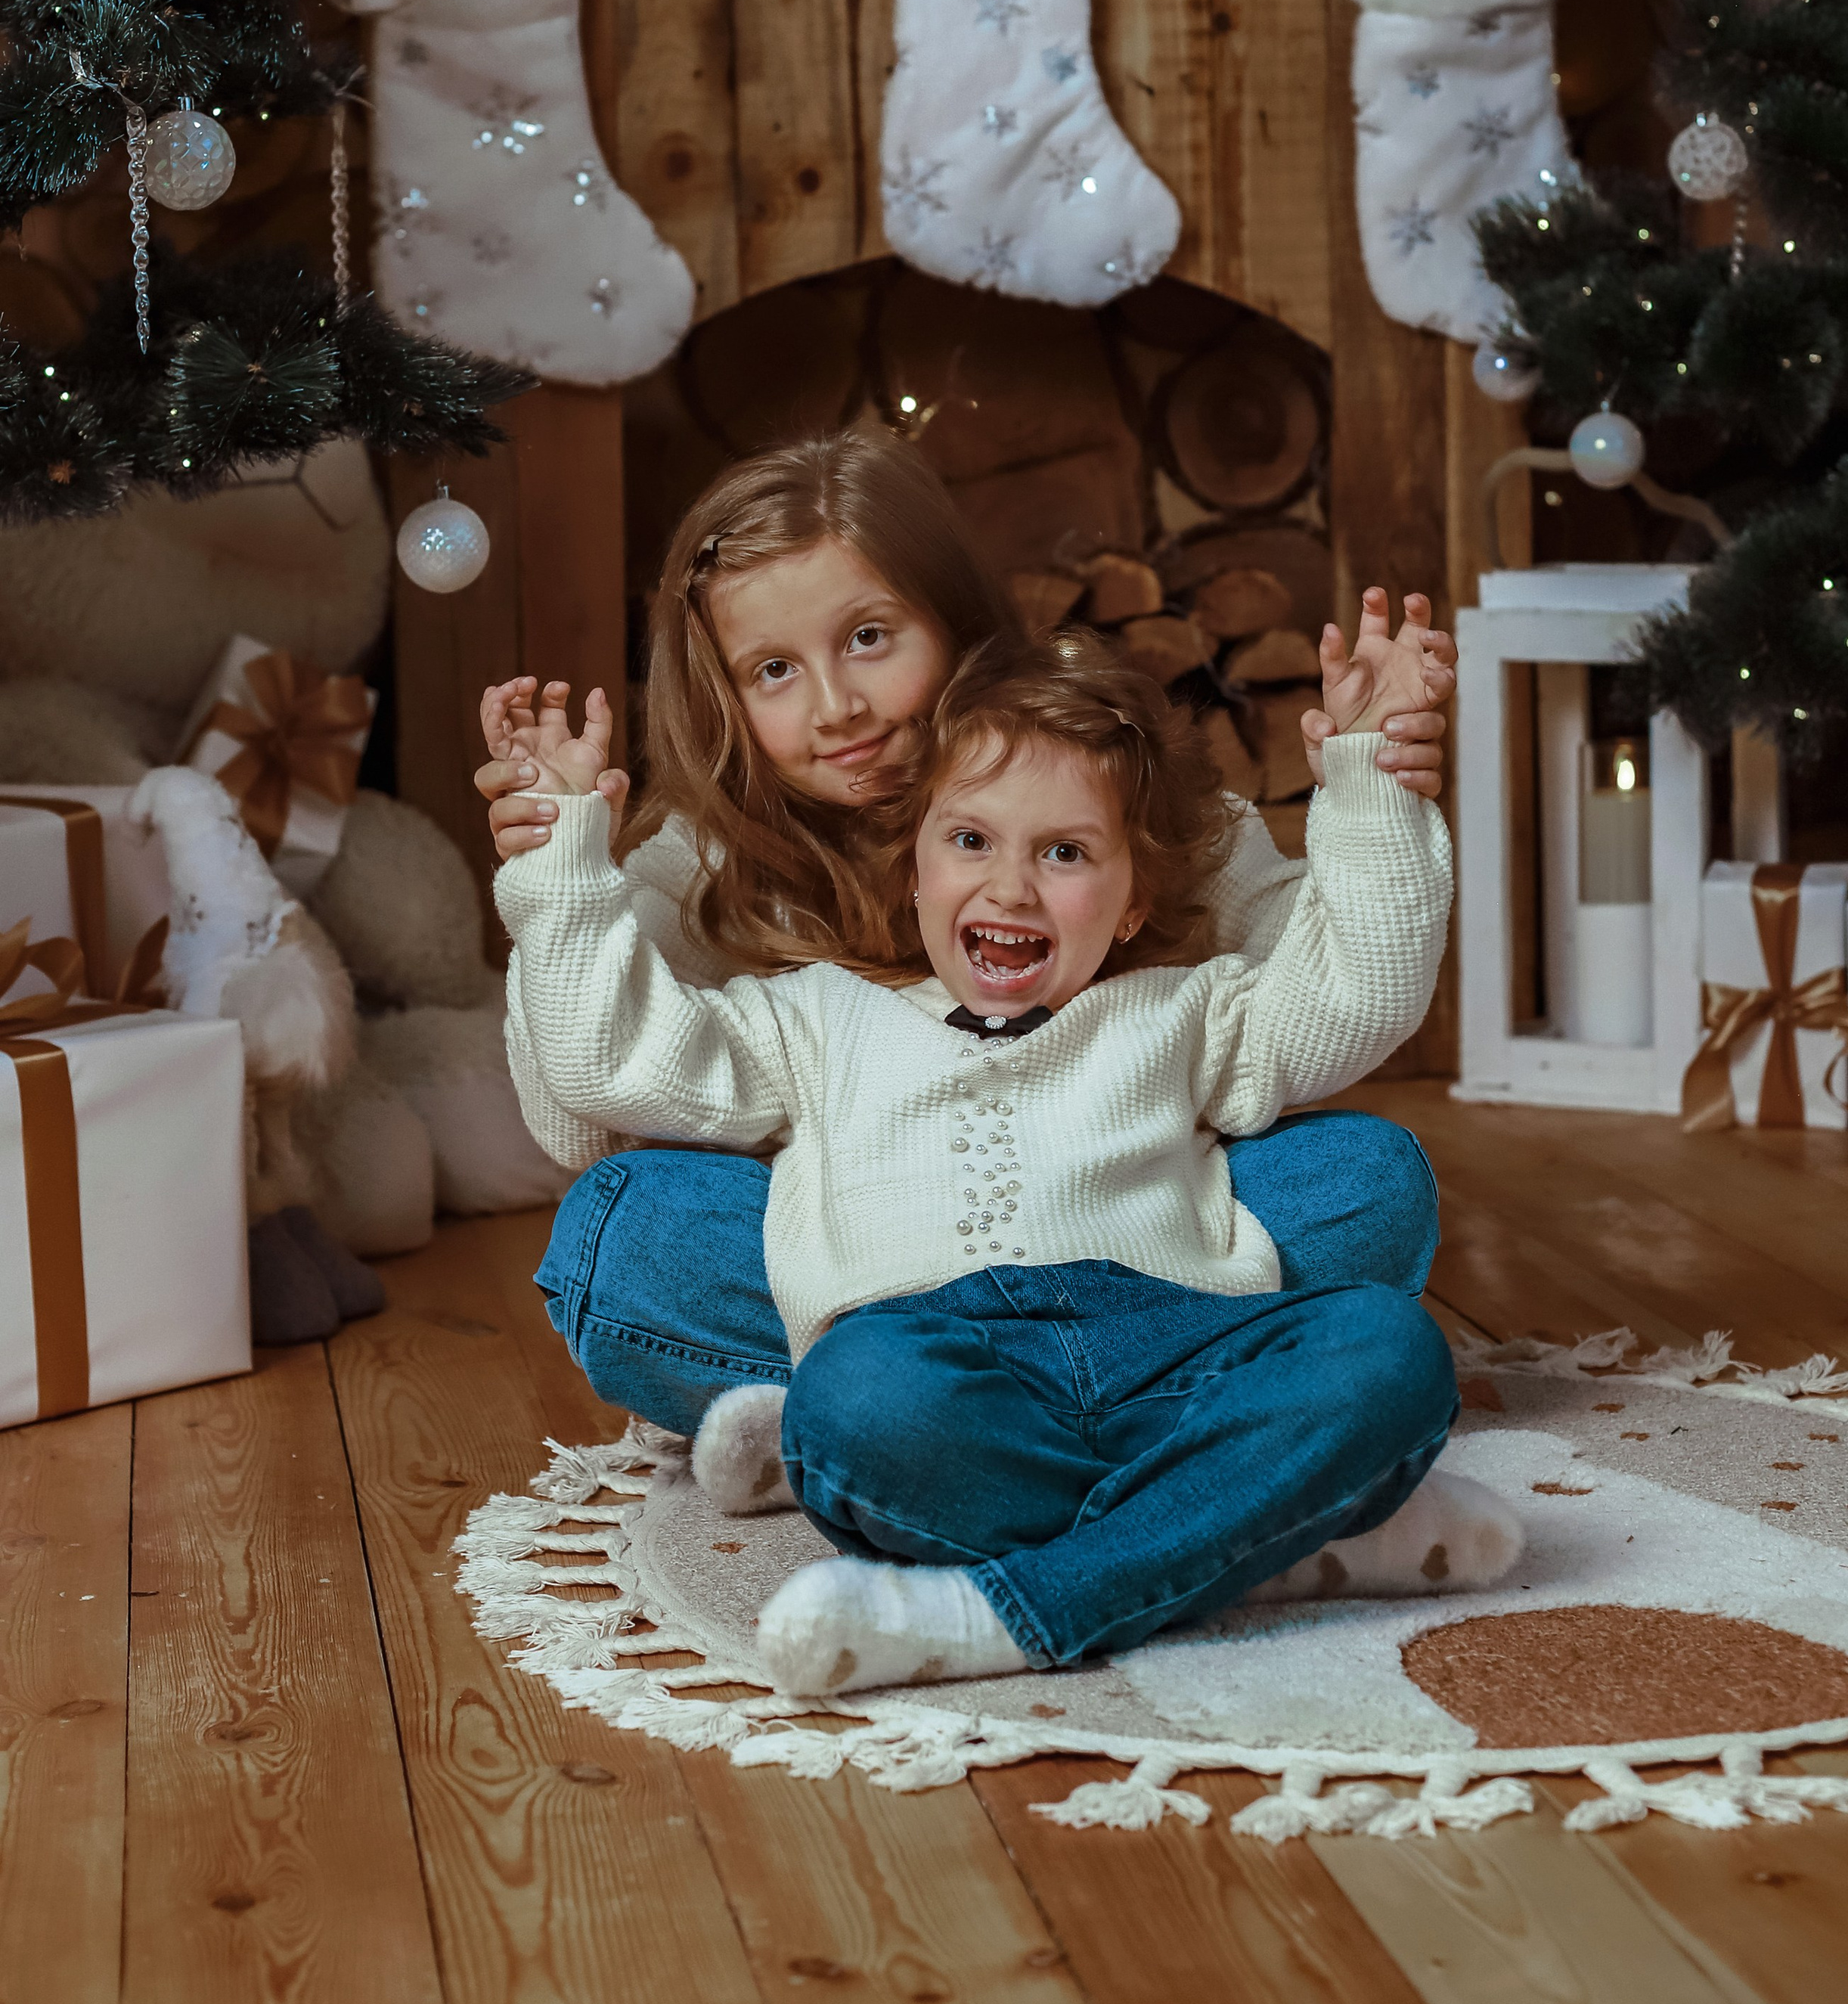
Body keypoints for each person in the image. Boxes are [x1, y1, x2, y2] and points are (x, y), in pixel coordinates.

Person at [495, 623, 1518, 1697]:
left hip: (1175, 1346)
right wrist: (560, 862)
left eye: (1065, 852)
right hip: (941, 1362)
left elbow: (1358, 994)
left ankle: (1014, 1608)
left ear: (1132, 899)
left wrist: (1372, 784)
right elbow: (613, 1057)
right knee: (852, 1394)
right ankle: (1258, 1537)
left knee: (1388, 1347)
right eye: (971, 840)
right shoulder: (812, 1020)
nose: (1013, 887)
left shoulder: (1187, 1009)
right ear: (915, 866)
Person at [476, 428, 1458, 1440]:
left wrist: (1374, 788)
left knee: (1368, 1178)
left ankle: (914, 1425)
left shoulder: (1114, 793)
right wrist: (558, 877)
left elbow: (1330, 988)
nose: (837, 707)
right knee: (623, 1229)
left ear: (954, 620)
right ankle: (1126, 1397)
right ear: (723, 697)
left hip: (1123, 1240)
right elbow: (586, 1120)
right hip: (868, 1259)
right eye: (773, 669)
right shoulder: (701, 871)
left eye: (869, 637)